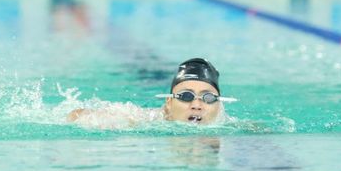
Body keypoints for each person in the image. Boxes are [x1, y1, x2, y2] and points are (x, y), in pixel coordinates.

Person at [66, 58, 236, 127]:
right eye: (186, 96)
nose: (197, 105)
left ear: (219, 105)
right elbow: (75, 115)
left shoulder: (231, 128)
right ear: (169, 103)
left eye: (208, 97)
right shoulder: (145, 120)